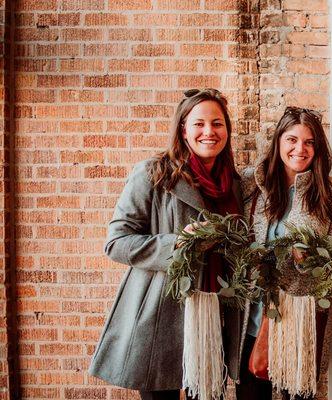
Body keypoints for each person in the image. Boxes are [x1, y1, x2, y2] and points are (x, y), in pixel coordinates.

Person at [88, 88, 244, 400]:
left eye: (217, 123)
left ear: (227, 129)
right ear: (183, 129)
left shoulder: (235, 185)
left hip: (213, 317)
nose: (209, 132)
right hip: (161, 319)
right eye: (199, 124)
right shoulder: (154, 173)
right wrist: (178, 243)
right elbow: (116, 242)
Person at [238, 106, 332, 400]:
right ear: (278, 142)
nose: (300, 149)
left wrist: (313, 262)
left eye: (309, 142)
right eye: (292, 140)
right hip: (254, 320)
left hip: (302, 323)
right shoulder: (251, 185)